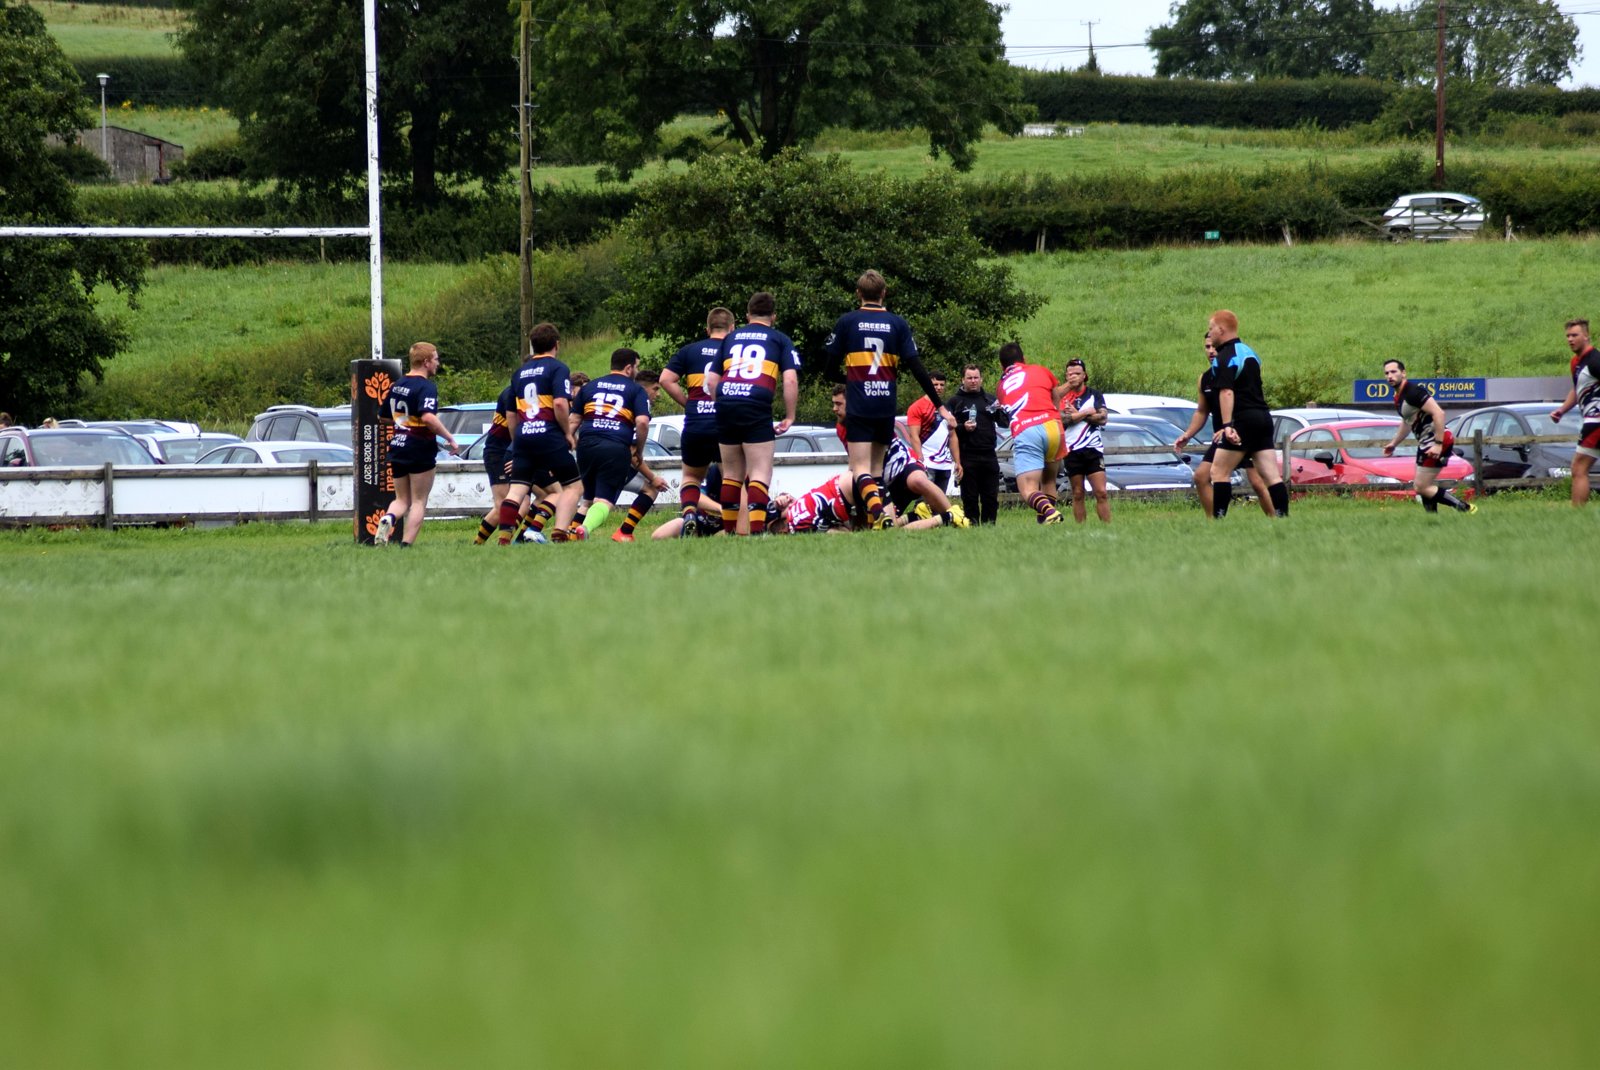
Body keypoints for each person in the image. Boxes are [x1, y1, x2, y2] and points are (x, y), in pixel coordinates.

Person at [823, 269, 953, 529]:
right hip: (885, 406)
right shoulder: (897, 324)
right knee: (876, 471)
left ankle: (878, 513)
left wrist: (852, 378)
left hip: (860, 405)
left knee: (859, 469)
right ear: (884, 293)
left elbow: (827, 367)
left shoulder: (847, 322)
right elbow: (917, 368)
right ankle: (881, 521)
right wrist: (939, 405)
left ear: (858, 293)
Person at [706, 291, 799, 535]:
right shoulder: (779, 339)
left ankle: (729, 531)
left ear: (748, 315)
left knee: (731, 474)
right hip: (756, 403)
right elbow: (790, 380)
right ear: (773, 316)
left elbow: (712, 380)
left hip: (726, 402)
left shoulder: (730, 338)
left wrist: (722, 404)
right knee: (760, 471)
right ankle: (756, 532)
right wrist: (790, 416)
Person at [829, 385, 965, 529]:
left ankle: (956, 517)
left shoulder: (872, 418)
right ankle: (916, 516)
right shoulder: (841, 429)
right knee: (885, 528)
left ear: (852, 404)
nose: (834, 409)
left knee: (917, 480)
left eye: (839, 404)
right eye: (834, 404)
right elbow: (856, 462)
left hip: (903, 465)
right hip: (883, 480)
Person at [495, 322, 582, 544]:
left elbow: (511, 414)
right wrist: (567, 433)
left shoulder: (519, 373)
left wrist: (517, 440)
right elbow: (560, 403)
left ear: (533, 345)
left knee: (517, 490)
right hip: (549, 435)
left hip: (523, 436)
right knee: (573, 486)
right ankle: (559, 531)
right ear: (556, 344)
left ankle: (504, 537)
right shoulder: (558, 368)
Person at [1174, 336, 1275, 518]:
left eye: (1214, 346)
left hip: (1242, 432)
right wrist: (1187, 434)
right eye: (1207, 347)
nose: (1211, 351)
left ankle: (1277, 520)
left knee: (1257, 483)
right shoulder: (1205, 379)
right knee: (1201, 477)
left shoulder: (1234, 372)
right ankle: (1215, 523)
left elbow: (1247, 404)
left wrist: (1230, 426)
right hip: (1222, 438)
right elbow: (1202, 411)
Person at [375, 341, 461, 546]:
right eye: (436, 359)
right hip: (419, 447)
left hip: (398, 446)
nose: (438, 363)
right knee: (419, 501)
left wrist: (403, 423)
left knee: (401, 500)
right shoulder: (426, 386)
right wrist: (449, 437)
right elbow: (428, 417)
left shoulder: (398, 385)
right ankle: (406, 545)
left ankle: (388, 518)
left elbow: (383, 417)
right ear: (426, 362)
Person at [1205, 310, 1288, 518]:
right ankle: (1283, 518)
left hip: (1243, 420)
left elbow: (1226, 391)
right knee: (1271, 476)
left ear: (1221, 330)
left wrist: (1227, 426)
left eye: (1211, 328)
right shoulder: (1250, 352)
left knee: (1218, 472)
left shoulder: (1225, 357)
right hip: (1263, 417)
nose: (1209, 333)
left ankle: (1218, 521)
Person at [572, 348, 660, 541]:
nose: (637, 371)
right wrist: (639, 451)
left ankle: (570, 534)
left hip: (586, 446)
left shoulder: (590, 386)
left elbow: (573, 421)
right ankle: (585, 529)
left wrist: (568, 446)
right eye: (636, 367)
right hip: (614, 448)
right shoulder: (635, 390)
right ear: (629, 368)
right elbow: (642, 422)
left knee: (588, 499)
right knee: (604, 501)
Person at [661, 307, 733, 536]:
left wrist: (688, 402)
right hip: (725, 424)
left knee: (691, 478)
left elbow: (665, 379)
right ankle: (734, 526)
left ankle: (690, 514)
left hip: (696, 424)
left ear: (707, 328)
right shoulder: (735, 349)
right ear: (732, 328)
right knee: (732, 479)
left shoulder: (689, 351)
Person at [1379, 359, 1475, 515]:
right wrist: (1394, 444)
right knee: (1423, 486)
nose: (1390, 376)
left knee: (1421, 486)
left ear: (1403, 373)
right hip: (1426, 442)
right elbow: (1407, 422)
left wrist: (1438, 444)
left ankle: (1466, 509)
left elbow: (1439, 413)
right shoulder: (1399, 396)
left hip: (1437, 440)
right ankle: (1432, 519)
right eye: (1386, 373)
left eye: (1393, 372)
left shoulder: (1413, 391)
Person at [995, 341, 1069, 524]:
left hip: (1027, 429)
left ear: (1002, 366)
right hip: (1053, 426)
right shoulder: (1041, 370)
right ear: (1024, 359)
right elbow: (1055, 398)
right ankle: (1046, 524)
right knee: (1049, 481)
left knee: (1028, 488)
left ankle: (1050, 512)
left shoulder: (1001, 386)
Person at [946, 363, 1004, 524]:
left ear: (981, 379)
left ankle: (989, 527)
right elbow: (948, 430)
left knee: (990, 497)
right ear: (962, 380)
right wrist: (962, 427)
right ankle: (971, 525)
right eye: (969, 378)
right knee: (970, 497)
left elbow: (1004, 422)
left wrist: (1001, 409)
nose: (973, 381)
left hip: (989, 454)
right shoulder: (954, 401)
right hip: (967, 455)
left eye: (976, 378)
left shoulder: (990, 399)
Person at [1551, 318, 1600, 507]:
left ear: (1586, 336)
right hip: (1592, 421)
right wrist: (1562, 410)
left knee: (1579, 468)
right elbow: (1577, 388)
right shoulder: (1576, 363)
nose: (1570, 339)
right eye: (1568, 336)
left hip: (1595, 422)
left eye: (1575, 335)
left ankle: (1577, 514)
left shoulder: (1595, 361)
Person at [1058, 358, 1111, 524]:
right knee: (1078, 493)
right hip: (1072, 450)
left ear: (1084, 375)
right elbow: (1063, 420)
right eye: (1070, 374)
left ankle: (1107, 526)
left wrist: (1077, 414)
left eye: (1077, 373)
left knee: (1101, 492)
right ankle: (1081, 528)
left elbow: (1102, 418)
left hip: (1093, 449)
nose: (1073, 376)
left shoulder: (1094, 394)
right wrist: (1086, 412)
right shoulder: (1061, 396)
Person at [905, 369, 960, 493]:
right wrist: (920, 460)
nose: (939, 388)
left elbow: (952, 436)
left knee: (940, 500)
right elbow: (914, 436)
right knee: (924, 500)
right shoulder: (917, 407)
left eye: (942, 385)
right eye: (935, 384)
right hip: (927, 462)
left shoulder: (947, 408)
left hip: (945, 464)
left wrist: (957, 461)